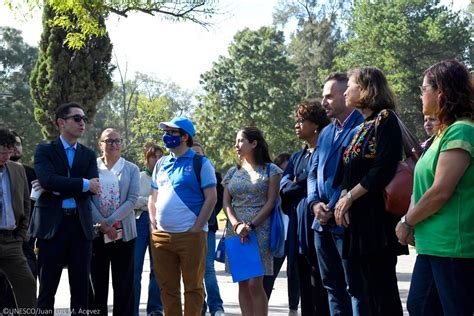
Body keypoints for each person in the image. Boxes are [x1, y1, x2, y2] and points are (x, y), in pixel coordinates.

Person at [396, 59, 474, 316]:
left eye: (423, 89)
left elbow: (441, 190)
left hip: (453, 247)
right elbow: (422, 185)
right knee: (420, 307)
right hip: (433, 245)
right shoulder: (443, 132)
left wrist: (408, 220)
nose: (421, 96)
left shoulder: (461, 131)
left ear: (440, 93)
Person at [334, 67, 407, 315]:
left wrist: (350, 197)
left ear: (365, 89)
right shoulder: (360, 127)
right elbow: (347, 170)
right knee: (362, 293)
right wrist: (343, 197)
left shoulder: (385, 119)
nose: (345, 92)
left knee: (382, 294)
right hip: (357, 223)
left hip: (376, 222)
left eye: (351, 85)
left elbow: (383, 167)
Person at [29, 102, 100, 315]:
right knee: (47, 290)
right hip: (52, 228)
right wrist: (82, 184)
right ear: (62, 122)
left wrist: (57, 186)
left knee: (81, 291)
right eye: (77, 118)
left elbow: (94, 188)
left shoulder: (88, 154)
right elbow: (47, 180)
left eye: (84, 119)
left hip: (80, 228)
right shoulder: (44, 150)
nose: (82, 123)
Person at [307, 72, 364, 315]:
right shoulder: (327, 132)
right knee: (332, 287)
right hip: (321, 224)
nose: (324, 102)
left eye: (329, 97)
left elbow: (352, 175)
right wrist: (314, 203)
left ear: (346, 95)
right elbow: (312, 172)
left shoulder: (362, 126)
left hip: (346, 221)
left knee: (355, 289)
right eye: (323, 97)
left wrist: (330, 207)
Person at [149, 117, 217, 316]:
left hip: (191, 236)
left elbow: (211, 198)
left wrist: (197, 227)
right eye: (166, 132)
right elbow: (153, 198)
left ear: (185, 136)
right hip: (161, 236)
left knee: (193, 288)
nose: (166, 136)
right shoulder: (161, 163)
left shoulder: (201, 163)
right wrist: (154, 227)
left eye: (172, 132)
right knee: (167, 289)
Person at [279, 99, 332, 316]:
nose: (296, 125)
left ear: (316, 124)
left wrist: (297, 181)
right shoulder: (297, 156)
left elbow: (307, 183)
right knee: (302, 278)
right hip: (297, 227)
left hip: (318, 226)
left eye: (302, 120)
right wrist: (297, 183)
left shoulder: (326, 151)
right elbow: (284, 187)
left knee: (321, 280)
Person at [222, 126, 282, 316]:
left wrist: (251, 225)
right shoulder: (233, 172)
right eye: (236, 141)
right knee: (242, 283)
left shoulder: (271, 170)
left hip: (260, 229)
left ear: (254, 143)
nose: (236, 145)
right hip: (236, 230)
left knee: (255, 283)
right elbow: (226, 203)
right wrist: (237, 224)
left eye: (241, 141)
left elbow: (271, 201)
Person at [89, 128, 140, 316]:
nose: (113, 144)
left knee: (124, 285)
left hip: (124, 234)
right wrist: (102, 224)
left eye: (117, 141)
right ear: (100, 144)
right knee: (97, 285)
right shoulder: (91, 167)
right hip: (97, 234)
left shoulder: (131, 169)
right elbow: (86, 199)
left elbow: (132, 199)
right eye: (109, 141)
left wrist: (109, 222)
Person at [0, 128, 36, 314]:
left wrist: (21, 234)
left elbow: (26, 203)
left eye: (8, 151)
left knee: (27, 284)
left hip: (12, 241)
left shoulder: (18, 170)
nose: (6, 156)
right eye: (2, 152)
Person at [191, 142, 225, 316]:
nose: (196, 156)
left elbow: (218, 201)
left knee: (208, 269)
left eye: (199, 153)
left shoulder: (214, 175)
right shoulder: (185, 176)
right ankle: (199, 306)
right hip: (187, 229)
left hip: (208, 227)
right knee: (192, 271)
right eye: (193, 153)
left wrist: (205, 216)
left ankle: (216, 307)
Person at [134, 142, 164, 316]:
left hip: (159, 223)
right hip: (139, 222)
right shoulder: (139, 177)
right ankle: (132, 309)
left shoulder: (166, 178)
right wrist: (151, 203)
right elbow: (132, 201)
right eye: (154, 156)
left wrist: (146, 203)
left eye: (160, 156)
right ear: (147, 158)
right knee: (135, 268)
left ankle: (155, 308)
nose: (158, 160)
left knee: (158, 269)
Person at [10, 131, 38, 279]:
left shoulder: (31, 173)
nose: (15, 147)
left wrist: (30, 229)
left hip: (27, 237)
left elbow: (37, 205)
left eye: (18, 144)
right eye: (12, 144)